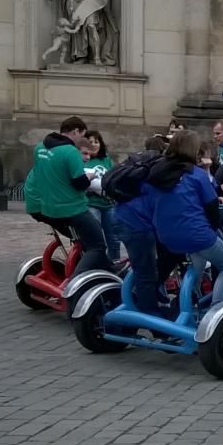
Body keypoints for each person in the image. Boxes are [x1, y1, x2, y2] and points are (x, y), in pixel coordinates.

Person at [149, 131, 223, 305]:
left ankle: (188, 302)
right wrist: (215, 227)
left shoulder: (157, 172)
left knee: (197, 266)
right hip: (197, 234)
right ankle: (216, 312)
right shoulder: (197, 174)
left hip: (165, 235)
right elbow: (212, 208)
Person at [30, 116, 111, 275]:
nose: (83, 140)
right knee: (98, 246)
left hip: (48, 207)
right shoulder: (70, 151)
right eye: (82, 135)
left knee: (83, 241)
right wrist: (89, 177)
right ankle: (76, 282)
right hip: (72, 208)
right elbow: (80, 184)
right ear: (76, 131)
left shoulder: (39, 148)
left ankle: (105, 271)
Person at [114, 136, 170, 315]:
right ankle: (151, 318)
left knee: (156, 263)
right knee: (145, 272)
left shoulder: (141, 165)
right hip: (136, 223)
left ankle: (151, 296)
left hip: (125, 216)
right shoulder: (160, 170)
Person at [83, 130, 120, 263]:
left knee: (114, 239)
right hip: (92, 204)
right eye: (90, 142)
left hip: (108, 204)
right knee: (96, 239)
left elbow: (111, 177)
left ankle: (115, 264)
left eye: (96, 142)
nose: (94, 145)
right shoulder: (83, 160)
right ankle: (96, 266)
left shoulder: (106, 159)